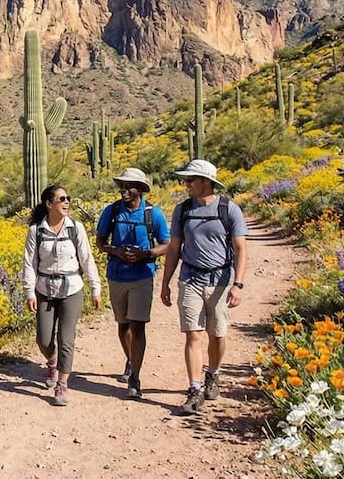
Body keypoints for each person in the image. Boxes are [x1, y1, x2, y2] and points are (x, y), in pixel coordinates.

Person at [159, 159, 249, 416]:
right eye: (186, 179)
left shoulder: (228, 209)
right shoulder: (182, 210)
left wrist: (238, 284)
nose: (186, 183)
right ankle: (194, 388)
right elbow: (175, 247)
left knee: (217, 334)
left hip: (220, 281)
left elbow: (241, 248)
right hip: (190, 279)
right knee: (193, 335)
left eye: (191, 179)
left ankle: (213, 373)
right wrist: (165, 282)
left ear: (206, 182)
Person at [22, 184, 102, 407]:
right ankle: (52, 360)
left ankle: (62, 384)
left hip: (71, 288)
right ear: (49, 204)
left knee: (66, 338)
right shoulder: (35, 231)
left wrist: (96, 288)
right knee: (44, 339)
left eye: (68, 198)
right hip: (44, 288)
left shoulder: (75, 228)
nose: (67, 202)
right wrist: (30, 292)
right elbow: (29, 264)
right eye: (62, 199)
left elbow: (86, 259)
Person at [95, 167, 170, 399]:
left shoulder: (152, 214)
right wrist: (115, 250)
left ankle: (135, 377)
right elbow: (100, 242)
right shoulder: (112, 211)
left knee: (138, 326)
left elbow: (166, 244)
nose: (124, 190)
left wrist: (146, 254)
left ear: (140, 189)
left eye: (129, 186)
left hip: (142, 275)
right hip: (117, 274)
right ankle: (130, 359)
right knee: (123, 324)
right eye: (122, 186)